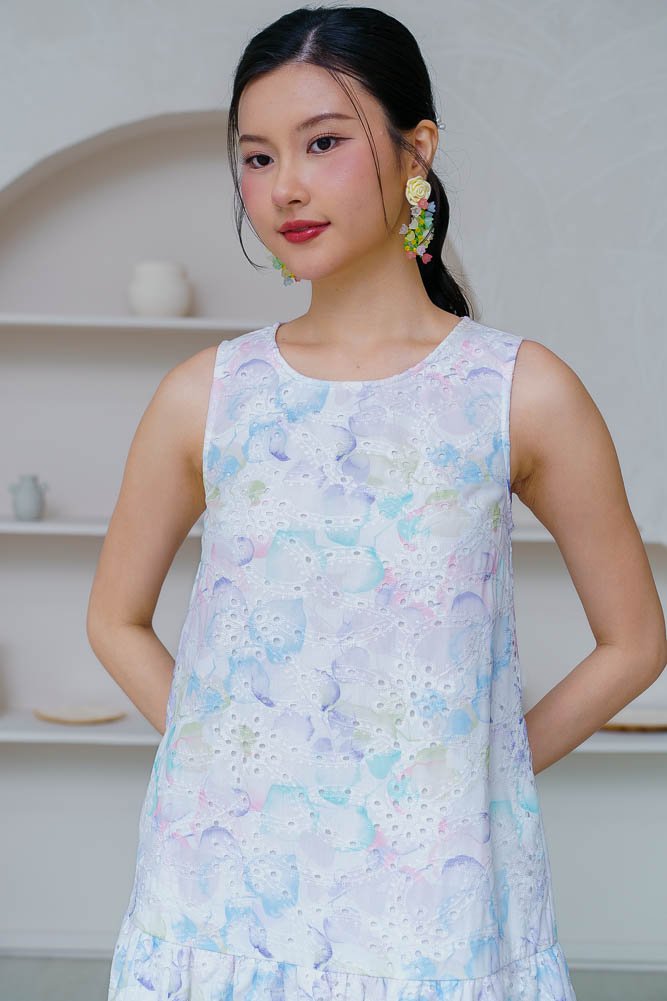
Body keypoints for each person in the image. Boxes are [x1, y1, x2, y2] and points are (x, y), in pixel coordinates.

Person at [88, 6, 667, 999]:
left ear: (416, 151)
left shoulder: (518, 390)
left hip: (429, 908)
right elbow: (113, 618)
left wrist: (475, 774)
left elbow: (635, 642)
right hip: (219, 896)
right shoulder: (207, 394)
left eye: (322, 142)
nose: (285, 186)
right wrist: (228, 760)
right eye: (257, 157)